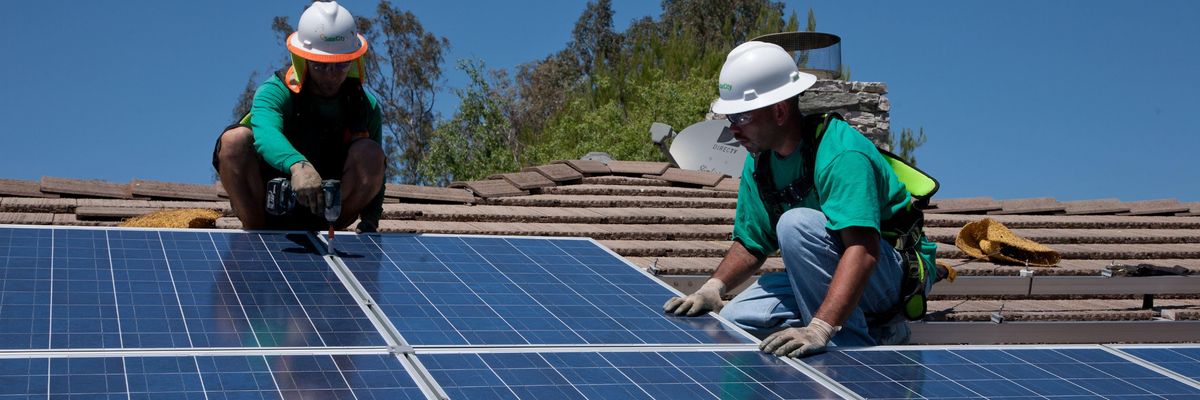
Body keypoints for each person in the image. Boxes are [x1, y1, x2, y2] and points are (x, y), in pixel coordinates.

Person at [663, 41, 937, 357]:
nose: (732, 129)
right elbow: (752, 243)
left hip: (891, 274)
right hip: (835, 270)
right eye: (730, 117)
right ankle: (852, 322)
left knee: (796, 224)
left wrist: (820, 327)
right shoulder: (760, 160)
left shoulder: (841, 152)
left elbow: (863, 250)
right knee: (736, 319)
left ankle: (856, 350)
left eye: (741, 116)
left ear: (779, 111)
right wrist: (714, 288)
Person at [214, 0, 384, 232]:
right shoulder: (275, 91)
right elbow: (266, 134)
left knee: (371, 153)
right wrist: (298, 165)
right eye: (321, 66)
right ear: (303, 59)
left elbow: (377, 169)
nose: (331, 75)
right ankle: (257, 234)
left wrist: (371, 219)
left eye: (340, 65)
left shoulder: (366, 106)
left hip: (329, 211)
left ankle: (328, 232)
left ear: (353, 60)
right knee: (234, 141)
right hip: (268, 207)